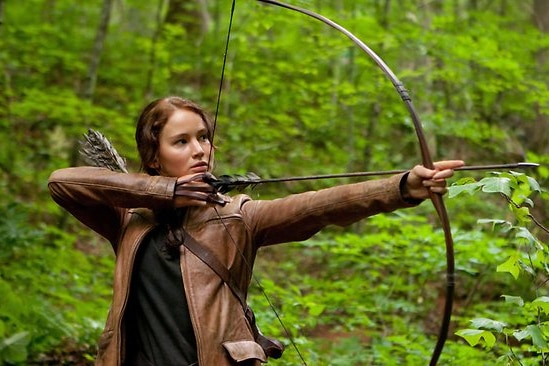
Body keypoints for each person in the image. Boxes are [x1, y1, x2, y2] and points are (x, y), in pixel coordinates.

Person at [48, 96, 464, 366]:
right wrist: (167, 192)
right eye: (181, 142)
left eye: (204, 138)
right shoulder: (128, 221)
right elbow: (62, 182)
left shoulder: (237, 216)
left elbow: (318, 206)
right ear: (153, 158)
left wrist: (401, 187)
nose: (200, 149)